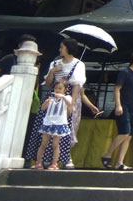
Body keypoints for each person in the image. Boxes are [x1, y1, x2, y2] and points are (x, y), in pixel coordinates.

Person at [25, 37, 99, 169]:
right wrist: (53, 71)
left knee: (64, 130)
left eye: (62, 47)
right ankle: (40, 160)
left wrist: (71, 103)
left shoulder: (78, 64)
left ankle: (60, 159)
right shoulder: (55, 63)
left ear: (68, 48)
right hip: (52, 97)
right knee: (45, 128)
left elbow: (77, 85)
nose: (60, 49)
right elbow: (48, 83)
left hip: (67, 97)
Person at [101, 50, 133, 170]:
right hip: (125, 106)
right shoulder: (125, 72)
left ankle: (120, 162)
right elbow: (117, 89)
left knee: (129, 135)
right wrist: (118, 105)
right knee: (124, 132)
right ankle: (108, 154)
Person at [33, 81, 72, 170]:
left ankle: (54, 163)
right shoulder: (51, 98)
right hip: (48, 123)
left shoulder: (67, 98)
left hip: (59, 124)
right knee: (43, 143)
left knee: (55, 144)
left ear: (65, 90)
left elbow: (70, 104)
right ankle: (38, 162)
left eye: (60, 88)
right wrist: (47, 102)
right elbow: (42, 108)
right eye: (56, 88)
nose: (57, 90)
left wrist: (62, 97)